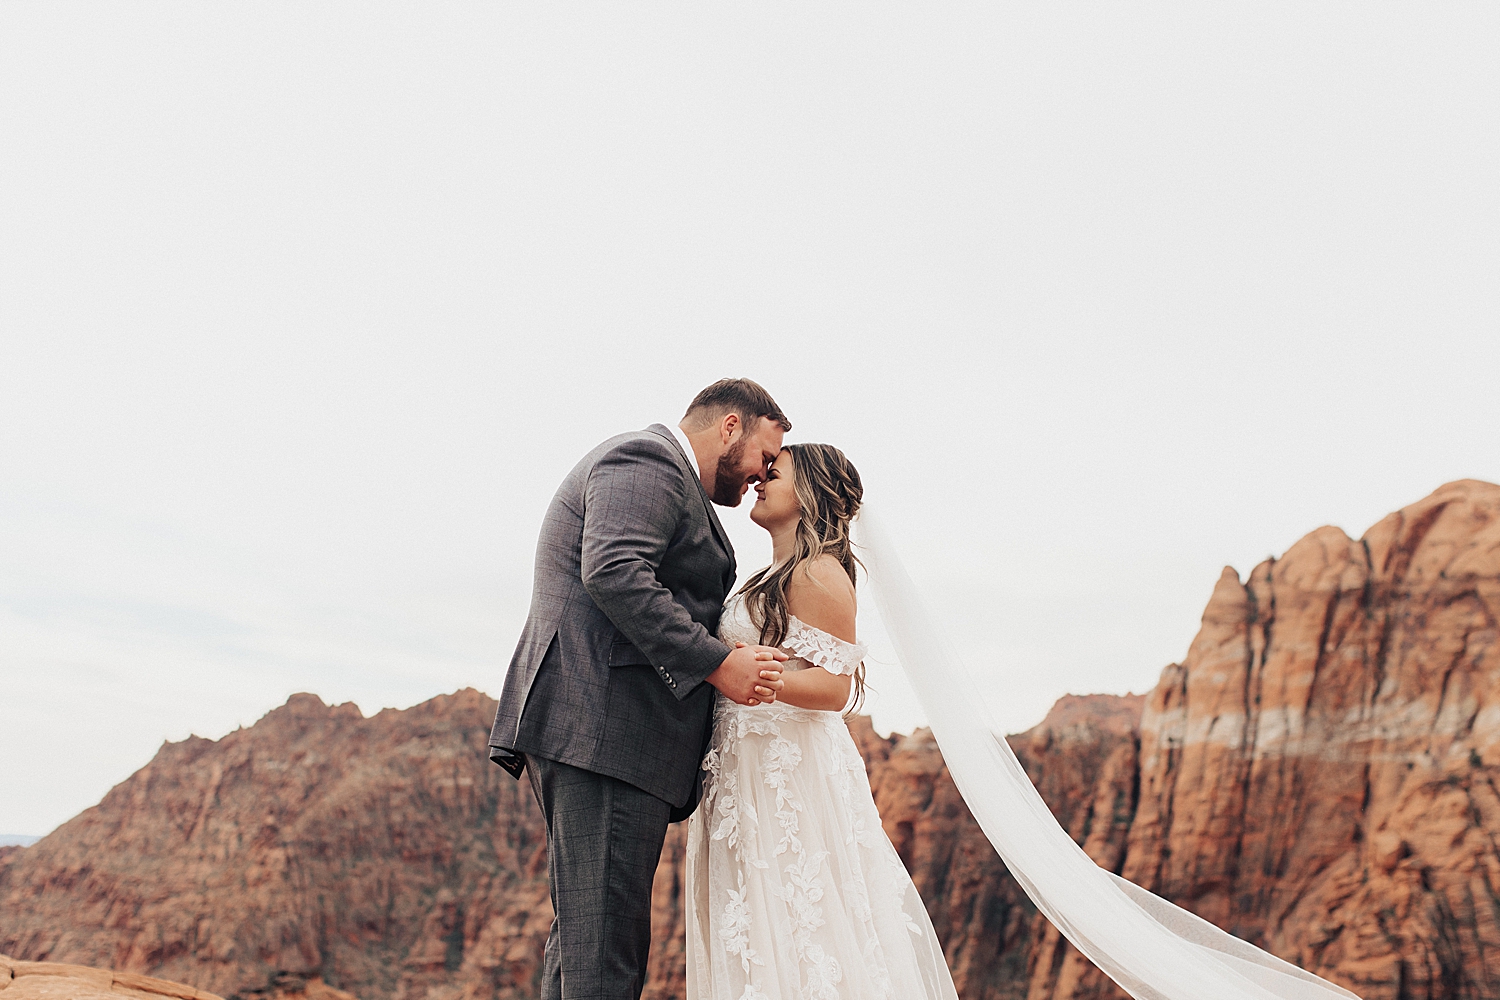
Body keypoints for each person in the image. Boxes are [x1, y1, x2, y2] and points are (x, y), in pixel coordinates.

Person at [487, 378, 795, 1000]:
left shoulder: (660, 474)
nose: (763, 473)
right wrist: (717, 663)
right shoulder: (647, 459)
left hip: (609, 736)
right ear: (730, 426)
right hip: (603, 732)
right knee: (603, 961)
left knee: (586, 948)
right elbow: (615, 570)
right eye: (766, 453)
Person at [685, 443, 961, 1000]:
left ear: (808, 492)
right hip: (744, 773)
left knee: (800, 924)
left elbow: (834, 689)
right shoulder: (767, 574)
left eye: (774, 473)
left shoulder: (819, 573)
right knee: (757, 927)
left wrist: (741, 675)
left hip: (787, 777)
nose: (759, 482)